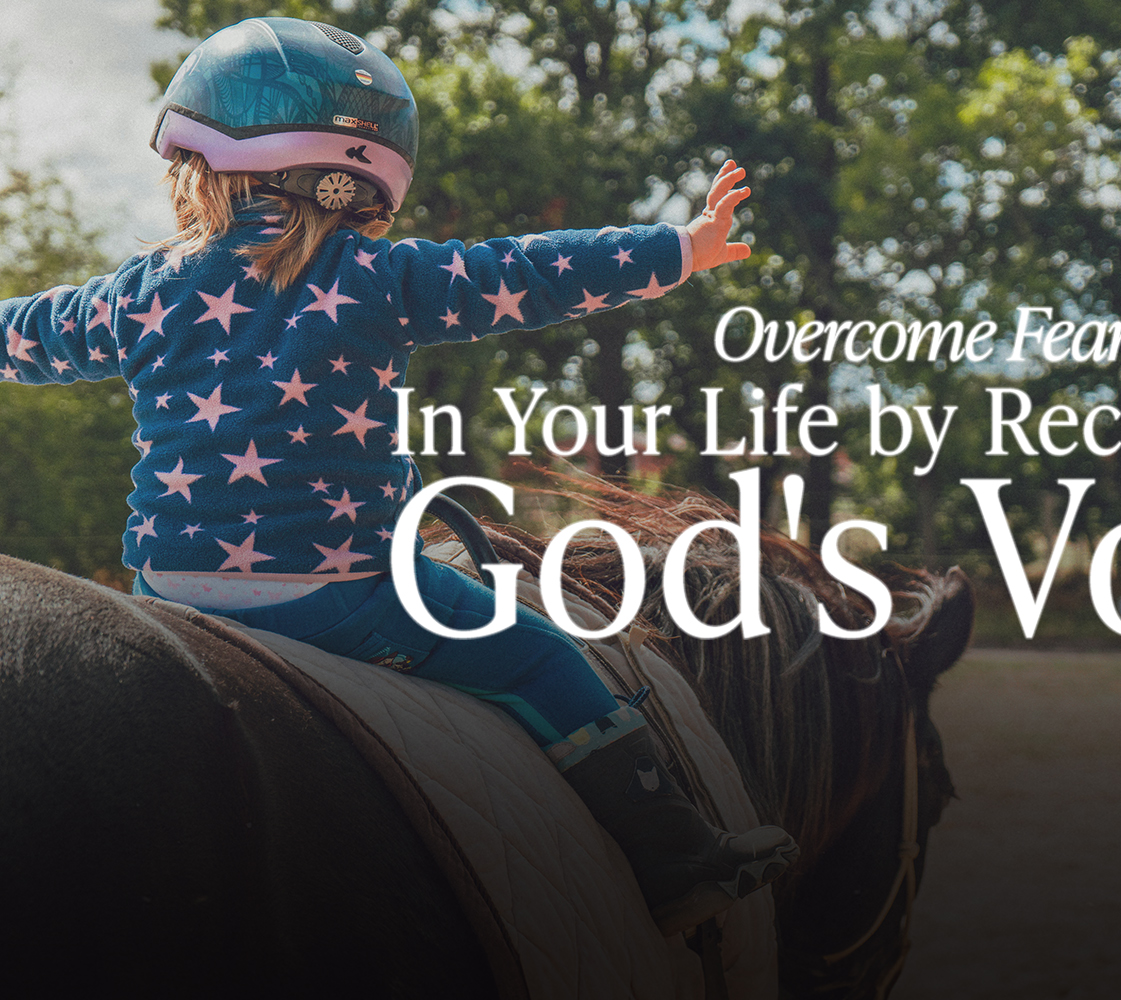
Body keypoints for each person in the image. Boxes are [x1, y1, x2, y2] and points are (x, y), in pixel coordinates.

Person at [0, 15, 795, 936]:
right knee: (541, 657)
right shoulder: (380, 279)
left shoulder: (139, 291)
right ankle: (679, 860)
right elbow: (531, 271)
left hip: (169, 593)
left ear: (200, 166)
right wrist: (681, 249)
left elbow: (26, 333)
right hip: (338, 596)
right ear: (365, 182)